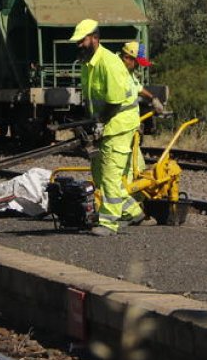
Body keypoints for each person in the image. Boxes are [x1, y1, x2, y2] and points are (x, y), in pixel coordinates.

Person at [70, 19, 144, 236]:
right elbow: (91, 100)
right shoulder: (88, 64)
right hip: (105, 124)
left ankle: (109, 223)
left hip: (118, 125)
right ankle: (133, 212)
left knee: (110, 174)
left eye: (82, 40)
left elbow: (114, 101)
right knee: (100, 174)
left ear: (95, 38)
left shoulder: (108, 63)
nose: (79, 45)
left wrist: (100, 124)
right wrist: (88, 123)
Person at [119, 41, 165, 114]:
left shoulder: (129, 73)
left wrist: (153, 99)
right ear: (126, 57)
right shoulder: (116, 74)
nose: (138, 66)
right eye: (137, 63)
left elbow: (138, 88)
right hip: (119, 123)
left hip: (131, 122)